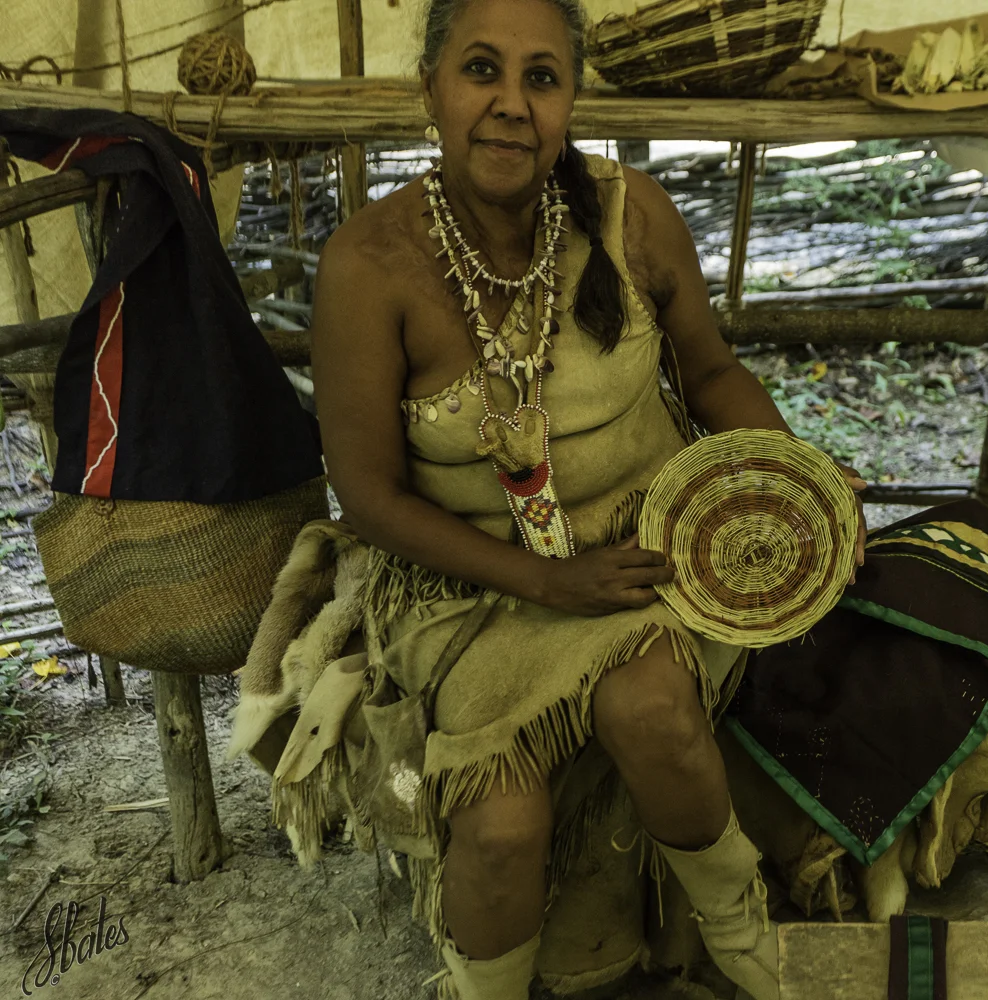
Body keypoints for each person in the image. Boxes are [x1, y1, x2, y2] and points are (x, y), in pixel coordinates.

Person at [295, 0, 864, 997]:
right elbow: (370, 498)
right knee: (501, 825)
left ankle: (743, 938)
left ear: (570, 102)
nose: (512, 104)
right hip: (466, 587)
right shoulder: (368, 265)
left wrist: (795, 478)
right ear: (429, 87)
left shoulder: (630, 214)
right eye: (481, 69)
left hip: (648, 542)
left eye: (542, 78)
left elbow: (712, 373)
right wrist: (549, 583)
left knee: (652, 706)